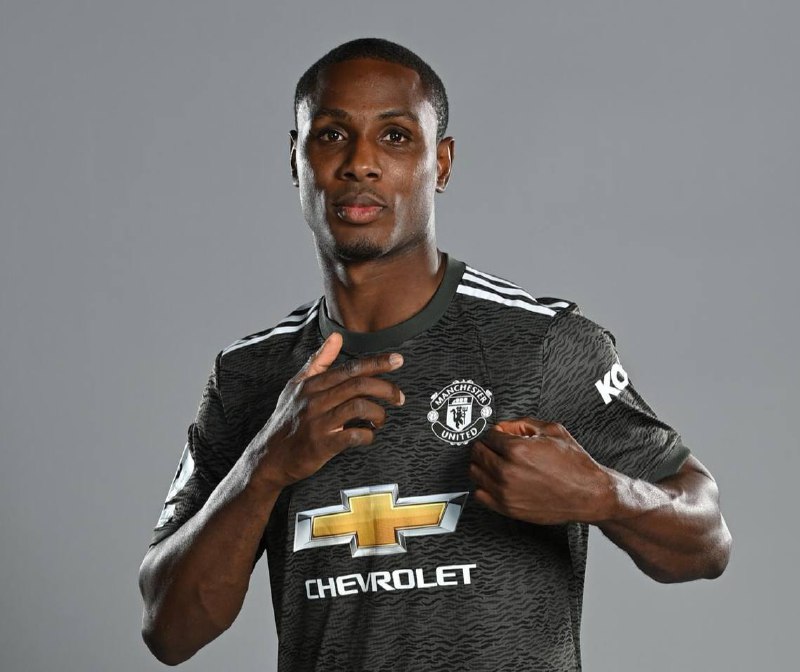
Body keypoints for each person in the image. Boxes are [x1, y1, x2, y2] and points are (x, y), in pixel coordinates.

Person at [138, 37, 732, 671]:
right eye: (332, 136)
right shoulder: (249, 375)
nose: (360, 163)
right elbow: (169, 631)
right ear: (296, 159)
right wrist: (264, 466)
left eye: (395, 137)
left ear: (441, 164)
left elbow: (707, 540)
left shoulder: (541, 342)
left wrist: (605, 495)